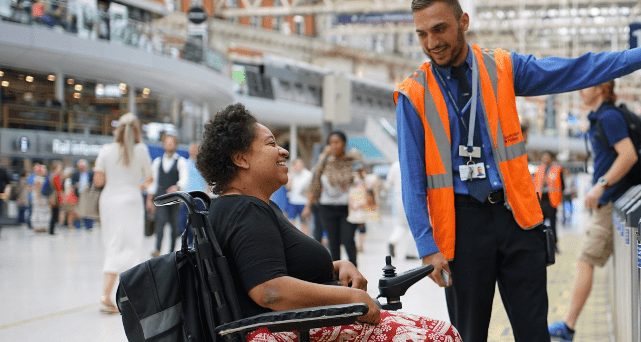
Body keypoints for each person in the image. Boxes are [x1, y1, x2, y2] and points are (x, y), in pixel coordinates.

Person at [394, 0, 641, 341]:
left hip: (518, 219)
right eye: (422, 33)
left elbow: (573, 70)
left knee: (534, 333)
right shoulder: (412, 95)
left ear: (463, 21)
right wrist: (426, 246)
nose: (431, 42)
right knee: (470, 334)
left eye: (440, 29)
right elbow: (413, 180)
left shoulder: (502, 68)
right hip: (461, 227)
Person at [195, 103, 461, 342]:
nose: (283, 150)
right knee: (442, 336)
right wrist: (352, 297)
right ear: (240, 159)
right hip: (286, 329)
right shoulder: (245, 210)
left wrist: (336, 268)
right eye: (270, 144)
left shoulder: (244, 207)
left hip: (300, 322)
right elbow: (270, 290)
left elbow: (270, 268)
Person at [546, 81, 639, 341]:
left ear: (602, 88)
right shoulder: (602, 117)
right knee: (584, 259)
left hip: (610, 203)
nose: (581, 90)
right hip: (609, 203)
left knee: (585, 259)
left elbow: (628, 155)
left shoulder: (609, 117)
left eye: (587, 85)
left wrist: (600, 186)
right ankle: (568, 325)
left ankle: (569, 326)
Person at [95, 113, 153, 314]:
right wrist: (137, 185)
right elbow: (149, 179)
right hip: (131, 201)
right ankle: (131, 297)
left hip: (109, 201)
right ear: (137, 130)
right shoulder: (142, 150)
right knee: (132, 246)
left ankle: (106, 294)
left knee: (113, 244)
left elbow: (98, 181)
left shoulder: (106, 150)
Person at [304, 131, 362, 266]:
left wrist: (361, 173)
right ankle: (338, 274)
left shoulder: (353, 161)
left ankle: (354, 268)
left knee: (348, 240)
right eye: (331, 143)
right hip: (327, 208)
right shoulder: (323, 162)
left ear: (344, 143)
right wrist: (308, 206)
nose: (334, 146)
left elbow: (363, 182)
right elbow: (315, 184)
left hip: (348, 208)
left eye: (337, 142)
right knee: (333, 241)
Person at [146, 133, 189, 257]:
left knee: (174, 225)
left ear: (175, 145)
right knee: (160, 222)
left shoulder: (181, 161)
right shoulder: (157, 161)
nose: (169, 144)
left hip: (175, 199)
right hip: (160, 198)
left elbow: (184, 179)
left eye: (171, 142)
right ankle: (157, 249)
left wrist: (177, 186)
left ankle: (171, 251)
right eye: (167, 142)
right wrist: (149, 199)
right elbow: (153, 182)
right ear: (164, 144)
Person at [532, 151, 565, 252]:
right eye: (544, 157)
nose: (545, 158)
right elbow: (534, 185)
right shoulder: (538, 170)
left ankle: (554, 245)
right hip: (541, 201)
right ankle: (541, 245)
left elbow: (562, 186)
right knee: (539, 225)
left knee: (553, 225)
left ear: (551, 158)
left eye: (547, 157)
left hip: (552, 202)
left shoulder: (557, 169)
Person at [384, 161, 416, 259]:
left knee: (401, 225)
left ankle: (392, 241)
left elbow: (389, 184)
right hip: (413, 197)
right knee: (414, 226)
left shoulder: (395, 165)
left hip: (399, 197)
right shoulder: (414, 163)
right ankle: (410, 253)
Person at [285, 158, 312, 232]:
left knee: (304, 224)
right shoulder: (291, 175)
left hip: (304, 202)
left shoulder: (308, 175)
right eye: (296, 165)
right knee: (290, 223)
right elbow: (288, 187)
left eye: (300, 164)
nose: (298, 166)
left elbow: (311, 190)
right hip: (293, 202)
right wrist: (291, 173)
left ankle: (306, 241)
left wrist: (308, 206)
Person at [72, 159, 96, 229]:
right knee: (78, 210)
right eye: (80, 167)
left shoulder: (90, 173)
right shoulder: (75, 173)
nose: (81, 168)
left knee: (89, 210)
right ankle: (77, 225)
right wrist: (75, 184)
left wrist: (89, 185)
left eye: (83, 167)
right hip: (78, 194)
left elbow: (94, 181)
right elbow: (72, 181)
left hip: (88, 194)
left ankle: (89, 226)